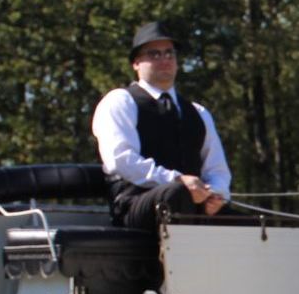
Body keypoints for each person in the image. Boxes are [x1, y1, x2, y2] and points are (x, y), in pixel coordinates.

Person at [91, 21, 232, 229]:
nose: (164, 60)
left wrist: (215, 194)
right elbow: (120, 160)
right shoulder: (121, 102)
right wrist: (177, 180)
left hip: (192, 204)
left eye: (169, 53)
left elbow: (217, 169)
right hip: (135, 205)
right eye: (154, 54)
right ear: (136, 63)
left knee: (259, 222)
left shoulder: (198, 113)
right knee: (176, 194)